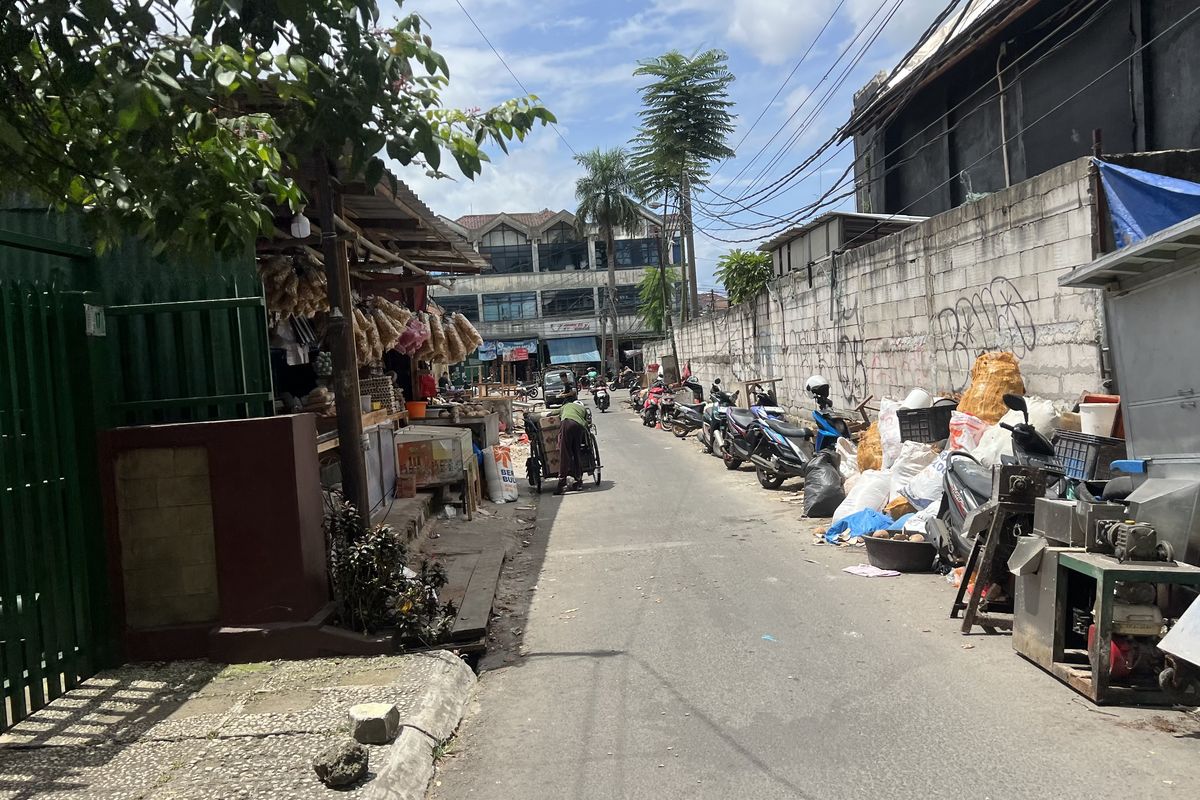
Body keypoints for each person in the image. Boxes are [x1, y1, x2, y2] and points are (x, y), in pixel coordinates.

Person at [553, 400, 589, 494]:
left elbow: (554, 412)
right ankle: (579, 481)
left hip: (567, 423)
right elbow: (587, 421)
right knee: (577, 453)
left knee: (564, 453)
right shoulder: (583, 409)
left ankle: (561, 483)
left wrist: (549, 414)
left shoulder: (567, 405)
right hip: (579, 426)